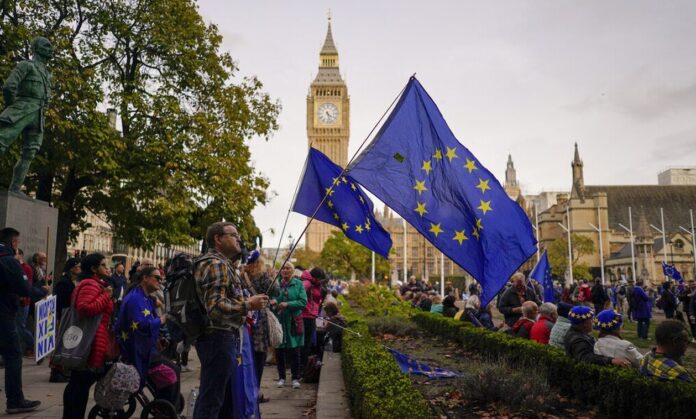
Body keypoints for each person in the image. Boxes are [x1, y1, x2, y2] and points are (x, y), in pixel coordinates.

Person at [193, 222, 267, 419]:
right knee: (212, 399)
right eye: (233, 235)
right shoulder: (216, 264)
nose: (238, 239)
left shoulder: (221, 263)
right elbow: (215, 307)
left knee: (222, 398)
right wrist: (248, 305)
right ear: (218, 239)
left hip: (220, 337)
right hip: (218, 337)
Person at [114, 266, 180, 404]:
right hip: (137, 349)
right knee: (172, 370)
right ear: (145, 278)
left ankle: (165, 402)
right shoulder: (135, 299)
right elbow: (141, 325)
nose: (160, 281)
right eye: (157, 278)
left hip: (147, 347)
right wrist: (161, 320)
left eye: (161, 278)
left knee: (171, 368)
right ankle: (166, 407)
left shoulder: (144, 297)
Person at [62, 253, 115, 419]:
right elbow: (84, 308)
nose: (107, 268)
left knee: (78, 382)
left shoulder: (93, 284)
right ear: (93, 268)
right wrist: (106, 296)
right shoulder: (91, 285)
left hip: (93, 337)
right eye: (103, 265)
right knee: (81, 383)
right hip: (90, 339)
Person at [0, 227, 45, 413]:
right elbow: (24, 288)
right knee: (13, 355)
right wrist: (42, 292)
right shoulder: (8, 261)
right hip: (4, 313)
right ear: (13, 242)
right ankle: (15, 400)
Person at [0, 37, 53, 193]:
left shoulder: (46, 73)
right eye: (46, 46)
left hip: (38, 115)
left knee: (29, 154)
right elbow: (9, 86)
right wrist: (12, 107)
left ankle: (15, 189)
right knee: (2, 142)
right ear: (36, 48)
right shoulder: (26, 65)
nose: (50, 49)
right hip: (22, 109)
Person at [243, 250, 279, 404]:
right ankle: (255, 393)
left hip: (245, 318)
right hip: (259, 319)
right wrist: (273, 277)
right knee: (259, 358)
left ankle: (245, 392)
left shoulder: (242, 276)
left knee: (246, 357)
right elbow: (276, 291)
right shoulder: (264, 276)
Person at [272, 261, 307, 390]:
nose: (285, 270)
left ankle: (295, 378)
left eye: (288, 268)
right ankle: (281, 377)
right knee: (279, 350)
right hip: (279, 320)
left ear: (292, 270)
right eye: (283, 268)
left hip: (293, 321)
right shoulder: (276, 284)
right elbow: (271, 297)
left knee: (295, 351)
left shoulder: (298, 284)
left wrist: (288, 304)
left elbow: (303, 302)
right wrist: (274, 301)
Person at [564, 306, 631, 368]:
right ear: (585, 323)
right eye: (591, 320)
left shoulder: (576, 333)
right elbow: (585, 357)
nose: (593, 322)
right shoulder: (578, 340)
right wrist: (611, 360)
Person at [49, 257, 80, 383]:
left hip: (70, 316)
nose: (79, 269)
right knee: (61, 343)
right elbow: (61, 301)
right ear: (72, 269)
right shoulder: (64, 282)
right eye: (78, 267)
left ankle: (63, 370)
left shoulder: (73, 281)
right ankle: (56, 372)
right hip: (64, 316)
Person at [300, 267, 325, 372]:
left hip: (311, 315)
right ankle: (302, 367)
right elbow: (300, 292)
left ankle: (303, 366)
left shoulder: (314, 284)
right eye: (320, 279)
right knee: (306, 343)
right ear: (315, 277)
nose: (321, 281)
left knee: (307, 343)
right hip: (306, 316)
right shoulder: (307, 283)